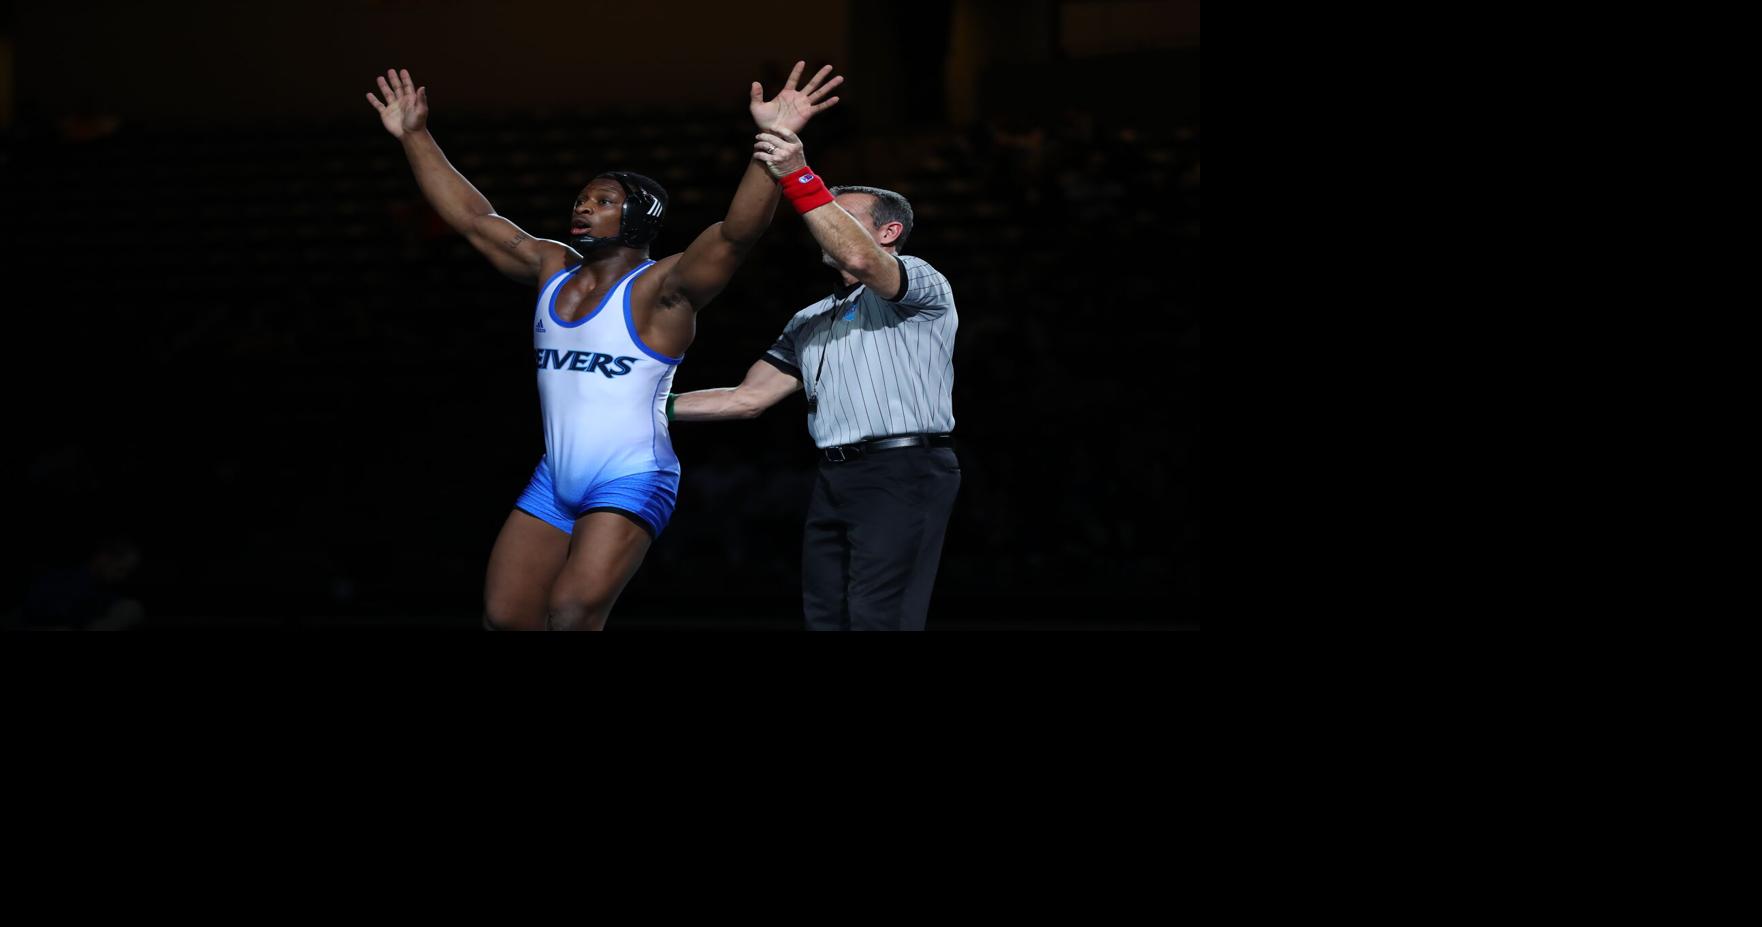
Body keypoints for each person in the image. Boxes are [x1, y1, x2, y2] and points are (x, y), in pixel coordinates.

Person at [365, 64, 842, 630]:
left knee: (572, 612)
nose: (583, 207)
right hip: (555, 477)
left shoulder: (662, 288)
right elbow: (474, 219)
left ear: (638, 216)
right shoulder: (551, 265)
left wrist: (774, 142)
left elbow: (737, 234)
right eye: (582, 198)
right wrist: (415, 135)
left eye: (603, 200)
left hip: (632, 476)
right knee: (506, 616)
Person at [671, 127, 959, 631]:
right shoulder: (809, 317)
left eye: (841, 216)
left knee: (879, 618)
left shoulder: (921, 279)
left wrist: (797, 174)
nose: (820, 223)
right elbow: (746, 399)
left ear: (888, 232)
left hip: (903, 467)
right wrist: (646, 407)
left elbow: (860, 259)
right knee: (826, 616)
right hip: (833, 474)